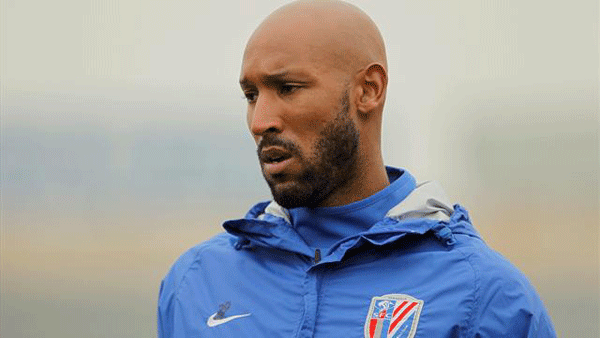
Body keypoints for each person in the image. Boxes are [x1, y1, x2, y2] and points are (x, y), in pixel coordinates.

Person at [157, 1, 557, 337]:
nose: (261, 120)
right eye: (250, 95)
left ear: (368, 90)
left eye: (288, 89)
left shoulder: (485, 295)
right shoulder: (196, 282)